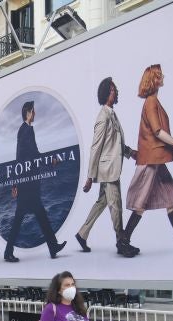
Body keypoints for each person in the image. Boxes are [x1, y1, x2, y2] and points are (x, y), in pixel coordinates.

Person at [121, 64, 173, 257]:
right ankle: (123, 241)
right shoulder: (151, 102)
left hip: (156, 160)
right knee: (140, 203)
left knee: (170, 198)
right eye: (160, 75)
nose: (163, 77)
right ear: (154, 80)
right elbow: (158, 132)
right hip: (150, 160)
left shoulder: (153, 101)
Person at [75, 77, 139, 258]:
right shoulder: (103, 117)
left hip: (110, 169)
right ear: (106, 94)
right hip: (108, 171)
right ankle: (121, 243)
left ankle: (82, 234)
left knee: (102, 202)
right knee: (116, 205)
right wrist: (89, 177)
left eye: (115, 89)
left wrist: (130, 152)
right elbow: (96, 148)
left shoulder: (112, 114)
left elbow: (115, 144)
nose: (116, 92)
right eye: (113, 90)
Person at [5, 102, 67, 262]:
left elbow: (24, 156)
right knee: (23, 218)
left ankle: (52, 246)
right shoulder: (25, 131)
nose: (35, 113)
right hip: (27, 185)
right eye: (33, 111)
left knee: (40, 215)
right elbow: (29, 156)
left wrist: (15, 183)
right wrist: (50, 160)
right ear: (28, 113)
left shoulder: (25, 130)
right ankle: (8, 252)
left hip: (28, 183)